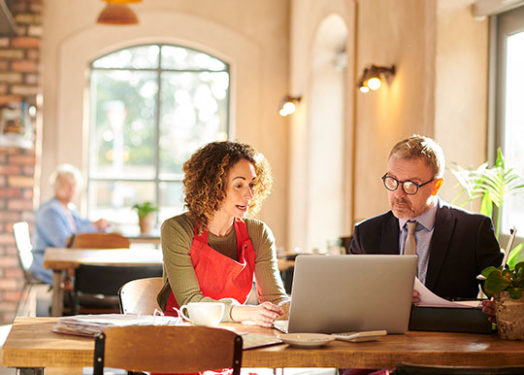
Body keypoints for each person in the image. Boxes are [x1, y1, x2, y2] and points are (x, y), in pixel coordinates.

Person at [350, 135, 503, 301]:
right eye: (393, 181)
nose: (398, 194)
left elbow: (504, 296)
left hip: (446, 326)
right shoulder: (366, 233)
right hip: (386, 327)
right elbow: (351, 294)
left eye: (411, 185)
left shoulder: (473, 231)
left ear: (436, 186)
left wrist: (495, 306)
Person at [157, 141, 289, 328]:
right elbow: (190, 302)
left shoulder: (258, 232)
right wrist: (248, 312)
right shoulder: (177, 229)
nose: (249, 195)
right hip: (182, 331)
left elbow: (275, 297)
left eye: (252, 184)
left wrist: (293, 307)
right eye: (239, 185)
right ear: (213, 187)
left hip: (233, 331)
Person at [31, 164, 109, 284]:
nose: (72, 189)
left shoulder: (69, 208)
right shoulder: (50, 211)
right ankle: (74, 301)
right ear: (57, 187)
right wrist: (93, 226)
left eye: (74, 185)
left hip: (65, 260)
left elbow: (82, 225)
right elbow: (64, 241)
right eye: (68, 185)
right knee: (93, 274)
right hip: (48, 264)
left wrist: (97, 225)